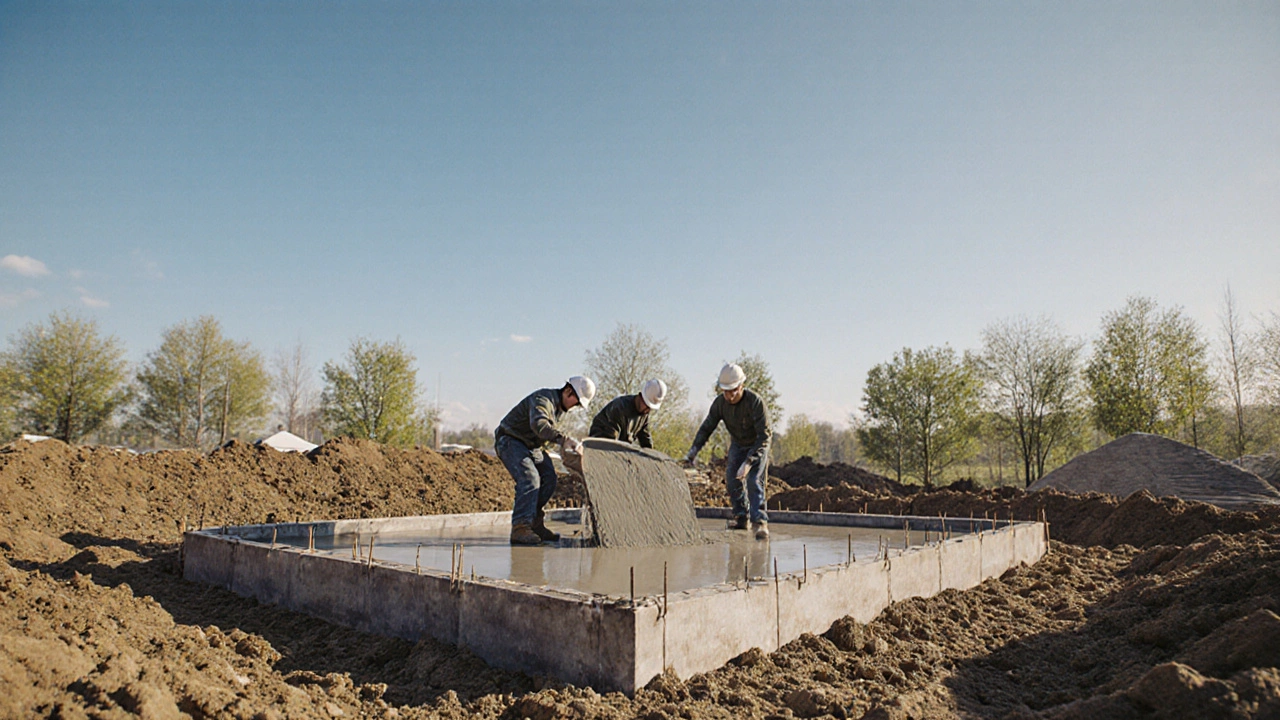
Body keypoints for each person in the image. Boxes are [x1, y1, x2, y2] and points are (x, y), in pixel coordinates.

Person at [495, 375, 596, 545]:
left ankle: (534, 523)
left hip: (530, 445)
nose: (575, 407)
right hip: (511, 439)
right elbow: (539, 426)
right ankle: (520, 527)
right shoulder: (543, 399)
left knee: (549, 477)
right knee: (530, 478)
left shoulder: (558, 409)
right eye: (576, 402)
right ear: (568, 391)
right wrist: (563, 439)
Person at [683, 363, 772, 539]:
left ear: (741, 386)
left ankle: (760, 523)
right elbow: (707, 427)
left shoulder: (755, 402)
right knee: (732, 478)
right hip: (738, 444)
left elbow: (765, 436)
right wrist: (694, 450)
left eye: (733, 391)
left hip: (758, 444)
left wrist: (749, 462)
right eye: (725, 391)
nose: (729, 396)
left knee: (754, 481)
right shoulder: (720, 404)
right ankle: (741, 517)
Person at [588, 379, 667, 449]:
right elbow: (609, 442)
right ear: (641, 396)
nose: (647, 411)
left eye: (650, 408)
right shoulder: (619, 408)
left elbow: (645, 438)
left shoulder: (644, 414)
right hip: (600, 445)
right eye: (647, 406)